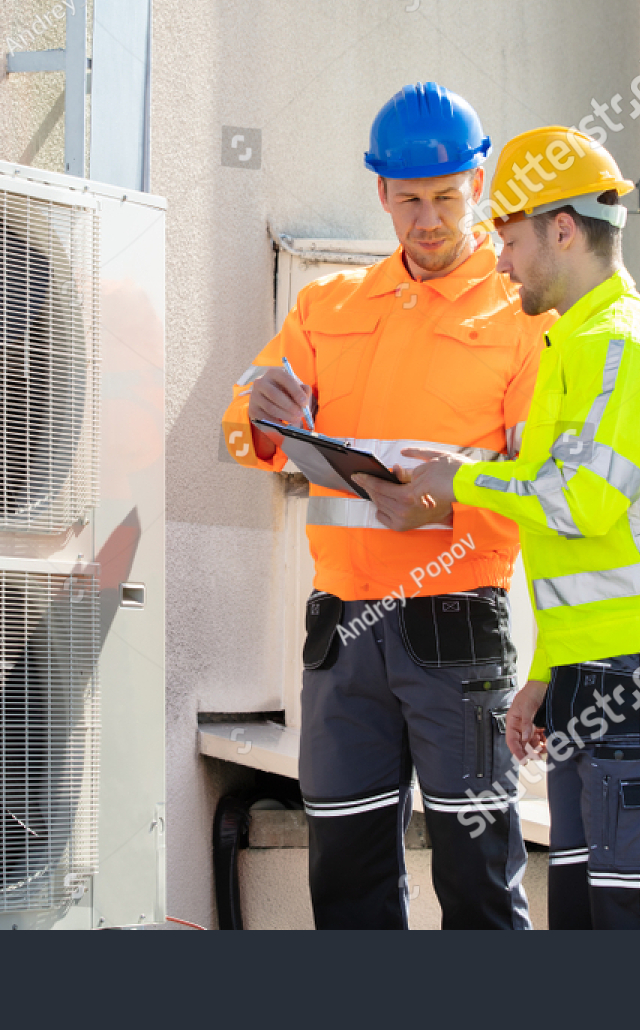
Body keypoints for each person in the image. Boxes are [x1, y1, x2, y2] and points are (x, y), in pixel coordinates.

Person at [389, 125, 640, 929]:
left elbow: (583, 502)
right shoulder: (573, 348)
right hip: (602, 662)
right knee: (588, 911)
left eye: (508, 239)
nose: (501, 261)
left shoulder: (631, 345)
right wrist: (550, 669)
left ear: (562, 228)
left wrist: (460, 481)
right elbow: (579, 544)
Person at [221, 83, 547, 929]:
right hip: (342, 634)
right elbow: (240, 415)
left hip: (456, 622)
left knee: (478, 880)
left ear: (478, 186)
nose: (428, 219)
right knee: (347, 877)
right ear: (381, 195)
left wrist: (459, 477)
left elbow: (543, 473)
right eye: (410, 201)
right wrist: (266, 418)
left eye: (446, 197)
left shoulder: (521, 315)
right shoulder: (328, 307)